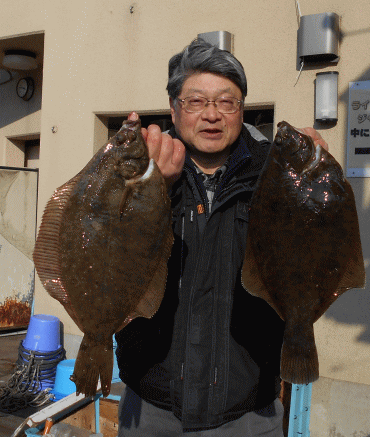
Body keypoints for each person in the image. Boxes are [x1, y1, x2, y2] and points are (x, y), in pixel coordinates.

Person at [115, 38, 328, 436]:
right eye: (196, 101)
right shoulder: (133, 169)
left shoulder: (277, 172)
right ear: (174, 109)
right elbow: (109, 263)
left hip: (249, 412)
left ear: (241, 109)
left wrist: (313, 184)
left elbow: (315, 253)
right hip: (152, 408)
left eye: (226, 102)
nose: (211, 115)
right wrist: (150, 193)